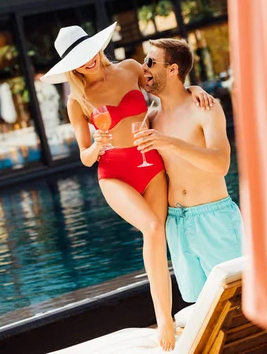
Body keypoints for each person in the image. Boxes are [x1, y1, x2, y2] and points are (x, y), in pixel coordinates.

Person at [41, 23, 214, 351]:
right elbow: (85, 158)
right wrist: (97, 144)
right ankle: (163, 319)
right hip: (114, 173)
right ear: (71, 67)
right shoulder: (77, 101)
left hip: (150, 164)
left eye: (89, 51)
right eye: (78, 59)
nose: (88, 60)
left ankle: (173, 310)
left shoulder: (131, 69)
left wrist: (194, 91)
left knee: (159, 233)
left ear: (98, 46)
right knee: (150, 226)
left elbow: (169, 91)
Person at [134, 38, 243, 305]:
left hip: (213, 217)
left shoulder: (204, 107)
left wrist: (168, 142)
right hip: (177, 222)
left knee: (239, 301)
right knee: (202, 305)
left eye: (150, 62)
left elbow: (221, 164)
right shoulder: (151, 116)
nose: (143, 68)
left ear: (172, 70)